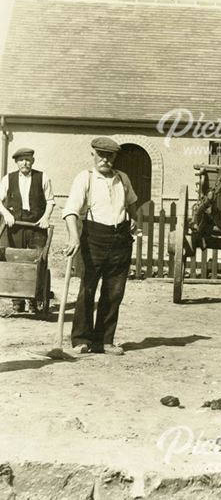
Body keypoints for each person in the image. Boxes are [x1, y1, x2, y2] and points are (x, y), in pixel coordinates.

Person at [63, 137, 139, 355]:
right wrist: (74, 237)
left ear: (115, 157)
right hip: (93, 239)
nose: (105, 159)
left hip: (120, 240)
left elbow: (132, 203)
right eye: (101, 154)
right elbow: (70, 211)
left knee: (114, 293)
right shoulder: (84, 178)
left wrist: (133, 219)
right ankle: (81, 340)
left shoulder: (123, 178)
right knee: (87, 290)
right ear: (93, 155)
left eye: (110, 155)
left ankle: (105, 341)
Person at [1, 147, 55, 312]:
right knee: (14, 260)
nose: (25, 163)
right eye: (21, 160)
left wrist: (45, 218)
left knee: (37, 261)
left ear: (32, 161)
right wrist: (7, 215)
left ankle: (34, 300)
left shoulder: (42, 177)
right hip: (15, 227)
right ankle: (17, 301)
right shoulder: (8, 179)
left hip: (36, 226)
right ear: (16, 162)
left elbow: (51, 201)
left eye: (28, 160)